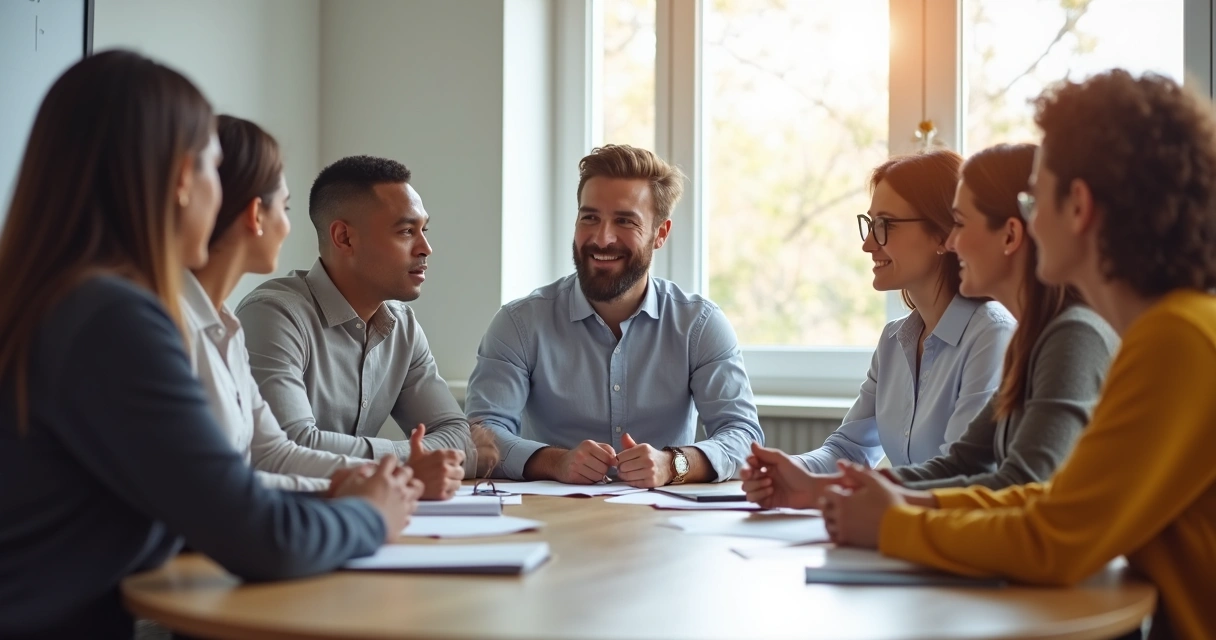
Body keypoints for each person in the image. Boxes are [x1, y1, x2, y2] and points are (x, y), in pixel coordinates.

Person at [0, 50, 420, 639]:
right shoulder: (111, 320)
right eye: (210, 170)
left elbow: (227, 490)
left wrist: (342, 490)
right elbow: (258, 537)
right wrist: (369, 515)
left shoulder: (64, 299)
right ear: (179, 181)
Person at [821, 70, 1216, 640]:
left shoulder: (1175, 340)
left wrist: (897, 524)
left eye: (1034, 199)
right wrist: (909, 508)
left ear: (1076, 206)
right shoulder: (1166, 331)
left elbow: (1056, 540)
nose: (1026, 220)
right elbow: (1056, 500)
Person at [742, 143, 1117, 509]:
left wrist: (879, 517)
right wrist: (816, 487)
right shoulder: (1032, 339)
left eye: (959, 224)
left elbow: (1017, 484)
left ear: (1010, 235)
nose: (954, 241)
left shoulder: (1052, 335)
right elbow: (961, 463)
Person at [465, 144, 764, 487]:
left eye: (625, 221)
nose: (602, 238)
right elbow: (481, 436)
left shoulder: (699, 324)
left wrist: (673, 463)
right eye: (589, 217)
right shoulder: (519, 323)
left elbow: (742, 436)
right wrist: (556, 462)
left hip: (665, 526)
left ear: (660, 234)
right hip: (555, 523)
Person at [236, 155, 497, 499]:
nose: (425, 248)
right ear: (344, 238)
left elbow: (456, 435)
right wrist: (408, 464)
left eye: (424, 230)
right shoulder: (273, 314)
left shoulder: (402, 327)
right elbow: (287, 449)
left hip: (368, 519)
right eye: (406, 231)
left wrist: (424, 459)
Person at [783, 150, 1015, 479]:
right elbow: (849, 450)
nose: (868, 244)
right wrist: (788, 469)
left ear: (942, 233)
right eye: (869, 224)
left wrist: (860, 490)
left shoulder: (992, 335)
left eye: (885, 225)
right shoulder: (894, 339)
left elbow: (960, 472)